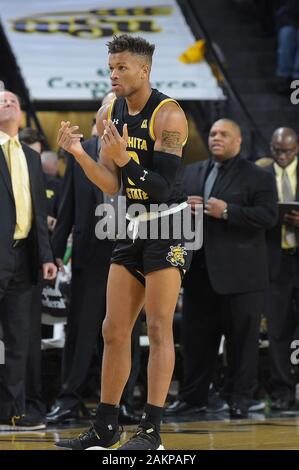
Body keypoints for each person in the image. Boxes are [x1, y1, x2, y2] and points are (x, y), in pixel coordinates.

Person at [55, 34, 191, 450]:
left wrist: (126, 158)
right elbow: (112, 185)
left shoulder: (169, 116)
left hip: (167, 225)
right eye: (110, 67)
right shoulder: (107, 112)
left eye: (122, 68)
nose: (113, 74)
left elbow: (164, 188)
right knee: (113, 330)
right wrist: (80, 153)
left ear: (144, 70)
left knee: (159, 328)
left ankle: (151, 429)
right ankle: (106, 426)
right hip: (129, 224)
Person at [165, 119, 278, 419]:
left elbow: (268, 216)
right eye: (212, 133)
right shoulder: (191, 171)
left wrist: (227, 211)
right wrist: (180, 207)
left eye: (224, 134)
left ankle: (240, 398)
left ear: (238, 141)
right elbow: (170, 208)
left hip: (242, 276)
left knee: (242, 343)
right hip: (199, 274)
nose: (216, 138)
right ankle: (193, 398)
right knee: (195, 342)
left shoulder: (258, 175)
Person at [47, 126, 140, 426]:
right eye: (109, 111)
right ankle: (69, 398)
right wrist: (55, 254)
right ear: (99, 120)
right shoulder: (81, 150)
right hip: (90, 253)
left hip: (129, 251)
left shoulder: (137, 147)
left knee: (126, 332)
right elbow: (67, 208)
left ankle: (123, 401)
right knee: (81, 329)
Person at [0, 90, 57, 430]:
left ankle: (11, 412)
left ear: (21, 114)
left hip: (24, 257)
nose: (8, 103)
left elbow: (39, 212)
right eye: (1, 100)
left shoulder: (32, 158)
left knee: (20, 340)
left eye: (14, 101)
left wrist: (46, 255)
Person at [265, 127, 299, 410]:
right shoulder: (260, 174)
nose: (282, 155)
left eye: (286, 150)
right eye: (277, 150)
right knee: (277, 330)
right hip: (275, 261)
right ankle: (282, 392)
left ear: (296, 148)